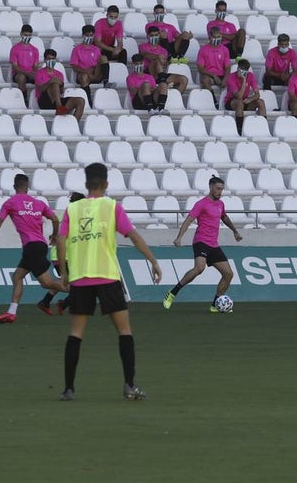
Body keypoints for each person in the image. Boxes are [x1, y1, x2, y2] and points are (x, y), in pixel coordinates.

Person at [57, 163, 163, 401]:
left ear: (86, 185)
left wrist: (63, 272)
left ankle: (68, 389)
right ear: (106, 184)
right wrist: (153, 261)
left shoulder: (72, 210)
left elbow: (60, 241)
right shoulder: (112, 207)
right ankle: (129, 385)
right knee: (124, 331)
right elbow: (133, 236)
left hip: (81, 278)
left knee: (76, 334)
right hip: (107, 277)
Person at [0, 173, 66, 324]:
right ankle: (11, 313)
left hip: (32, 247)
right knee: (17, 277)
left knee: (46, 283)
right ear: (27, 188)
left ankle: (83, 291)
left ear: (14, 187)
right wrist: (53, 236)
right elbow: (54, 219)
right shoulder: (39, 203)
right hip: (37, 246)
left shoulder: (10, 203)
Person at [164, 175, 245, 312]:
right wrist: (179, 237)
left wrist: (235, 231)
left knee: (228, 274)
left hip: (213, 244)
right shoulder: (201, 204)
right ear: (211, 187)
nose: (220, 192)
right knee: (199, 268)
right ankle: (172, 293)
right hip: (201, 241)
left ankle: (215, 305)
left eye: (222, 189)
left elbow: (224, 217)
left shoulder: (220, 204)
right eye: (218, 188)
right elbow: (189, 220)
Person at [38, 191, 84, 316]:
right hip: (65, 256)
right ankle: (64, 303)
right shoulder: (75, 216)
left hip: (60, 255)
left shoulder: (71, 214)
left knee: (69, 282)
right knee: (80, 286)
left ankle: (46, 302)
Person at [138, 29, 188, 99]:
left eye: (156, 35)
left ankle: (173, 99)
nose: (154, 37)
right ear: (147, 36)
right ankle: (162, 80)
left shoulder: (163, 50)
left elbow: (165, 63)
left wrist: (167, 62)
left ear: (159, 36)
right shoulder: (143, 46)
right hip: (148, 73)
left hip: (160, 74)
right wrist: (158, 57)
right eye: (152, 35)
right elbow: (145, 54)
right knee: (157, 60)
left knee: (184, 79)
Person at [36, 48, 86, 119]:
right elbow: (40, 89)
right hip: (45, 101)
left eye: (53, 59)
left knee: (80, 101)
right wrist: (51, 81)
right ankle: (59, 106)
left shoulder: (59, 74)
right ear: (45, 60)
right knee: (55, 82)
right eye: (48, 59)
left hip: (57, 99)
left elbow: (61, 91)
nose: (51, 61)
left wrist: (61, 85)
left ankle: (75, 125)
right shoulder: (39, 73)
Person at [225, 58, 266, 135]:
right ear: (237, 68)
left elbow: (257, 94)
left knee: (261, 102)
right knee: (240, 102)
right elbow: (239, 96)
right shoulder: (231, 77)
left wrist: (250, 99)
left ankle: (264, 126)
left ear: (247, 71)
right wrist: (244, 80)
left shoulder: (251, 76)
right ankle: (240, 130)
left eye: (243, 71)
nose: (240, 72)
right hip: (231, 101)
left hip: (245, 101)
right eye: (239, 69)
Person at [71, 24, 109, 96]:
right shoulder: (77, 49)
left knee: (103, 58)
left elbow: (99, 62)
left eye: (91, 35)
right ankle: (88, 100)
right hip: (83, 73)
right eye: (87, 35)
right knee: (84, 76)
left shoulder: (96, 49)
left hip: (95, 73)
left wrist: (93, 69)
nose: (89, 37)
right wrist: (85, 71)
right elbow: (74, 66)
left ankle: (106, 82)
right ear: (83, 35)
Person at [197, 26, 232, 98]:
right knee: (205, 80)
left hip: (222, 75)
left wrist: (225, 78)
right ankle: (213, 100)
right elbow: (200, 68)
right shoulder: (203, 49)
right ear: (210, 37)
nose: (216, 39)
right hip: (209, 75)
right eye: (214, 37)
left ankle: (226, 102)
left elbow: (228, 67)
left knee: (233, 81)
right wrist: (214, 76)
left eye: (218, 36)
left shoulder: (225, 49)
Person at [9, 24, 41, 101]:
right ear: (21, 34)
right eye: (25, 35)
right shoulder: (15, 48)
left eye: (29, 35)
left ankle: (40, 99)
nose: (27, 37)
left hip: (30, 73)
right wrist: (28, 73)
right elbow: (15, 67)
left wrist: (37, 71)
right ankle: (24, 99)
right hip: (19, 73)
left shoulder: (35, 49)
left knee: (42, 77)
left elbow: (35, 66)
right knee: (21, 77)